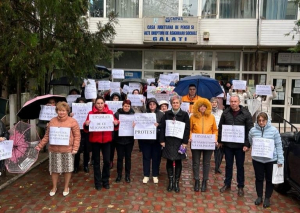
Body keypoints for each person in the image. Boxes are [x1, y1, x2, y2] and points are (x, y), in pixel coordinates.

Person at [35, 101, 81, 197]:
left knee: (67, 169)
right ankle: (54, 187)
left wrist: (75, 148)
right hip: (54, 149)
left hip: (67, 149)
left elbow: (77, 136)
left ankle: (66, 187)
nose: (61, 112)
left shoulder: (72, 121)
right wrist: (40, 146)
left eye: (63, 110)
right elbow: (47, 136)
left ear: (67, 111)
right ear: (56, 111)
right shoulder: (52, 121)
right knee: (54, 169)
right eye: (59, 110)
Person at [218, 94, 253, 197]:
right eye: (231, 101)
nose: (233, 103)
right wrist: (220, 141)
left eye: (235, 101)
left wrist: (247, 144)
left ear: (239, 102)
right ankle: (227, 183)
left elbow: (250, 130)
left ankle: (240, 186)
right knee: (228, 165)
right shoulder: (225, 113)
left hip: (240, 146)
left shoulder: (246, 114)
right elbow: (221, 127)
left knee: (240, 166)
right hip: (228, 145)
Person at [249, 112, 284, 208]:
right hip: (257, 160)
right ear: (257, 121)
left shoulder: (274, 131)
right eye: (259, 120)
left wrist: (280, 160)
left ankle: (267, 198)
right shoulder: (252, 130)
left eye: (263, 120)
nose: (261, 122)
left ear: (267, 120)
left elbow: (279, 145)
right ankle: (259, 196)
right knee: (259, 179)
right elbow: (251, 141)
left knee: (269, 180)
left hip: (271, 160)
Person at [84, 96, 119, 190]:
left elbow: (116, 123)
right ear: (95, 104)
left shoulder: (110, 113)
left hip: (107, 140)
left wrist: (116, 123)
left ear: (104, 103)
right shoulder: (90, 113)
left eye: (101, 103)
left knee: (107, 161)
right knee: (96, 162)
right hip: (95, 140)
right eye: (98, 103)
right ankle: (97, 182)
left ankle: (105, 181)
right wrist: (86, 124)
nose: (100, 105)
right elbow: (86, 127)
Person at [160, 95, 190, 193]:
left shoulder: (185, 115)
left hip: (179, 141)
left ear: (180, 104)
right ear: (171, 104)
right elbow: (163, 128)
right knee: (169, 161)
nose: (175, 104)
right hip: (168, 141)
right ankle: (171, 181)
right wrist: (162, 140)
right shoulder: (167, 114)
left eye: (177, 103)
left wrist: (185, 142)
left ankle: (176, 182)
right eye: (174, 103)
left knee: (178, 161)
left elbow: (187, 129)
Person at [189, 98, 218, 192]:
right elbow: (189, 129)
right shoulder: (192, 117)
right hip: (196, 143)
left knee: (206, 163)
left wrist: (215, 139)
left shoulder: (211, 117)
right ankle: (197, 180)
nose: (202, 108)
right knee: (196, 162)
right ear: (197, 107)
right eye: (200, 106)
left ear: (207, 107)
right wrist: (190, 137)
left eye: (204, 106)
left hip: (208, 143)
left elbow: (215, 130)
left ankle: (205, 180)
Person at [139, 98, 164, 184]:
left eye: (153, 104)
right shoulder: (144, 114)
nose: (152, 106)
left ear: (156, 105)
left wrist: (159, 125)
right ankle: (146, 175)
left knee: (156, 158)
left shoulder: (161, 114)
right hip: (146, 140)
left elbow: (164, 126)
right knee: (146, 157)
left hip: (157, 140)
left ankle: (155, 175)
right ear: (148, 105)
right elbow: (140, 124)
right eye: (150, 104)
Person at [114, 100, 135, 183]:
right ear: (122, 106)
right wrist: (115, 123)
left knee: (128, 158)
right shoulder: (116, 114)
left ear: (130, 107)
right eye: (125, 106)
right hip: (119, 140)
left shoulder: (133, 115)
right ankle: (119, 175)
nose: (126, 107)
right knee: (119, 158)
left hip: (129, 140)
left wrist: (135, 125)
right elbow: (113, 126)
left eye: (128, 106)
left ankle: (127, 175)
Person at [73, 97, 90, 174]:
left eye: (83, 103)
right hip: (77, 131)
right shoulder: (72, 112)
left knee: (86, 149)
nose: (81, 105)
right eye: (79, 103)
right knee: (77, 149)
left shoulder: (89, 112)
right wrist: (71, 116)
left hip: (86, 132)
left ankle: (85, 165)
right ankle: (76, 165)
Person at [210, 97, 224, 174]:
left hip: (218, 133)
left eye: (215, 102)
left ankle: (217, 166)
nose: (214, 103)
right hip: (210, 133)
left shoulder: (221, 112)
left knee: (219, 151)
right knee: (209, 151)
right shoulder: (208, 112)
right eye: (212, 102)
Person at [109, 92, 122, 169]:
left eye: (117, 98)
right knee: (111, 147)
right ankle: (110, 160)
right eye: (114, 98)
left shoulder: (121, 109)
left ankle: (119, 161)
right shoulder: (108, 108)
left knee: (119, 148)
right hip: (111, 130)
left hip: (119, 131)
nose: (115, 100)